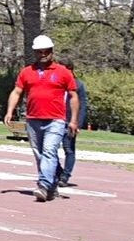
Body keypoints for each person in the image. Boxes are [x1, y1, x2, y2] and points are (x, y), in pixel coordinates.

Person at [5, 34, 80, 202]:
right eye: (40, 52)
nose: (43, 54)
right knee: (39, 154)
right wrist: (10, 111)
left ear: (52, 52)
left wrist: (74, 120)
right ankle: (51, 187)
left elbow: (74, 96)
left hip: (55, 120)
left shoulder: (63, 72)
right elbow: (17, 92)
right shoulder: (26, 72)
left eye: (46, 51)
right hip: (33, 119)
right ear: (35, 53)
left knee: (49, 151)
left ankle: (44, 185)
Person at [58, 75, 89, 188]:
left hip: (70, 121)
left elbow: (83, 106)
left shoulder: (78, 85)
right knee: (49, 149)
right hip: (55, 120)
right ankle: (59, 172)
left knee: (69, 149)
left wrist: (78, 123)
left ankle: (65, 176)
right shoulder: (57, 82)